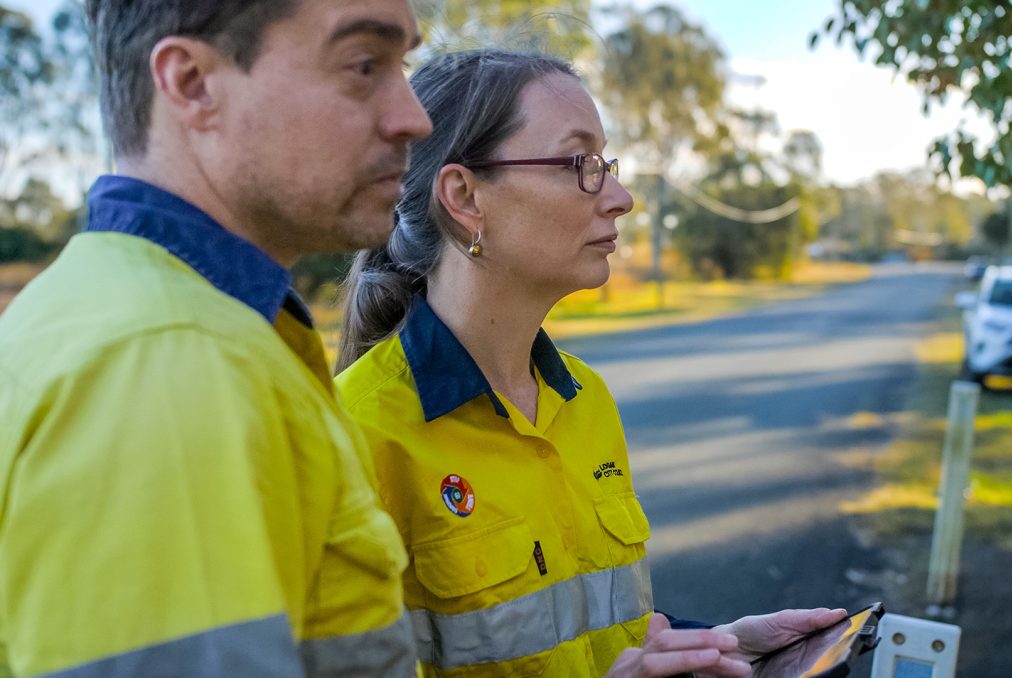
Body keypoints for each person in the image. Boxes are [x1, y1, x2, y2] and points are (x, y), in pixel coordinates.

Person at [335, 48, 846, 677]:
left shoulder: (587, 399)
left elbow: (601, 637)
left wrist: (713, 646)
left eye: (606, 164)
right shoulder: (352, 436)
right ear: (466, 197)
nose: (621, 198)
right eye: (581, 164)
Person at [0, 0, 433, 674]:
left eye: (403, 65)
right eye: (364, 65)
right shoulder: (168, 363)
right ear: (192, 84)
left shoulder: (86, 303)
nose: (414, 116)